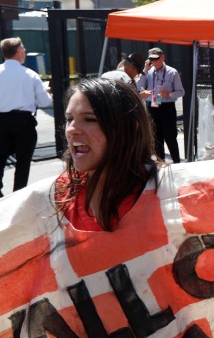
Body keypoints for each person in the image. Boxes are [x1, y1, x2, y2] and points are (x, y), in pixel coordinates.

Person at [55, 77, 159, 231]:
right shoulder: (61, 191)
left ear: (128, 128)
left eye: (90, 119)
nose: (71, 130)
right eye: (69, 119)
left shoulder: (165, 193)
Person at [0, 37, 53, 196]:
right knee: (23, 163)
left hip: (1, 122)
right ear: (18, 52)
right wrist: (48, 92)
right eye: (23, 49)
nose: (25, 51)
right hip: (24, 122)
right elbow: (44, 102)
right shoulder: (31, 75)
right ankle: (18, 195)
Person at [137, 47, 185, 163]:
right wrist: (144, 70)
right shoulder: (147, 72)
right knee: (156, 138)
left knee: (170, 137)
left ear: (162, 58)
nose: (154, 62)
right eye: (151, 59)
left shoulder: (172, 72)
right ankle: (161, 163)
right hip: (152, 105)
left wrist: (168, 94)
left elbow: (181, 91)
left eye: (156, 59)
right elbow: (138, 87)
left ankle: (177, 162)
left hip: (166, 107)